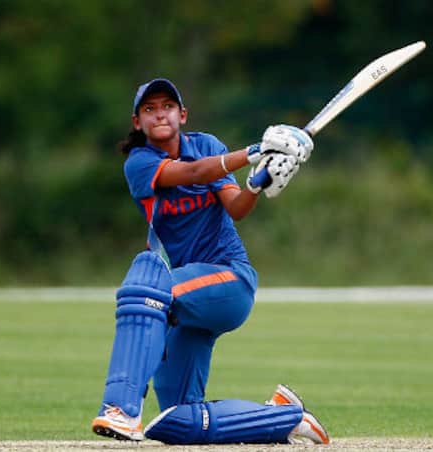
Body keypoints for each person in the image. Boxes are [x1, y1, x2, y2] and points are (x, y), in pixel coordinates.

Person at [90, 78, 330, 445]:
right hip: (187, 299)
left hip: (229, 280)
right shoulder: (139, 163)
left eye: (167, 106)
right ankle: (285, 417)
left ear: (182, 114)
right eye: (149, 109)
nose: (160, 114)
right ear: (137, 122)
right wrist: (257, 151)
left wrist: (257, 182)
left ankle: (120, 411)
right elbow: (194, 172)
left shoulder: (206, 144)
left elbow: (237, 208)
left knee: (145, 288)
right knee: (178, 421)